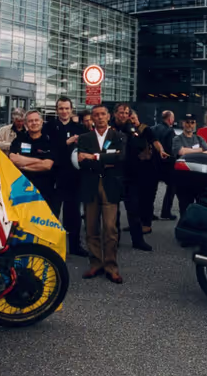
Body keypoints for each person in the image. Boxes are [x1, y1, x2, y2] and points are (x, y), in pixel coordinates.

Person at [78, 105, 127, 284]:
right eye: (96, 115)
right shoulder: (84, 138)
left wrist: (94, 157)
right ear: (92, 118)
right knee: (91, 228)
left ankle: (111, 266)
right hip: (90, 186)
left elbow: (120, 158)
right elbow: (82, 162)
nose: (99, 117)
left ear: (108, 116)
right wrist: (106, 158)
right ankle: (95, 263)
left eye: (103, 114)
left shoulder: (118, 136)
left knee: (110, 229)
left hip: (110, 186)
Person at [112, 104, 162, 250]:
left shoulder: (133, 128)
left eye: (126, 113)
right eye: (121, 113)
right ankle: (115, 240)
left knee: (134, 209)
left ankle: (138, 240)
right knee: (114, 211)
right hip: (114, 174)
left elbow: (141, 145)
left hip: (131, 175)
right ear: (115, 114)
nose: (124, 115)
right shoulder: (110, 128)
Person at [46, 97, 88, 257]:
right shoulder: (48, 127)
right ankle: (51, 247)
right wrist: (66, 142)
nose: (64, 111)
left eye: (67, 108)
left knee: (73, 215)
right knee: (53, 214)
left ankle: (75, 246)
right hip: (54, 178)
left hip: (73, 178)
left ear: (71, 110)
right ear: (57, 110)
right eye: (61, 108)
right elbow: (47, 149)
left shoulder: (79, 128)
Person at [10, 110, 57, 204]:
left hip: (45, 190)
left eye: (36, 120)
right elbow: (13, 159)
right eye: (30, 121)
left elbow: (47, 165)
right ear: (26, 124)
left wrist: (23, 165)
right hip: (22, 188)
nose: (34, 123)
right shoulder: (19, 139)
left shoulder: (50, 140)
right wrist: (39, 161)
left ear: (41, 121)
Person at [172, 114, 207, 217]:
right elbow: (181, 152)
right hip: (183, 179)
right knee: (185, 208)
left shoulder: (199, 138)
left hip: (198, 179)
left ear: (195, 124)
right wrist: (200, 151)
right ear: (182, 123)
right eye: (187, 122)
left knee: (201, 208)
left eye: (192, 122)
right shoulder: (177, 139)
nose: (190, 125)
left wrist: (189, 151)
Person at [153, 110, 178, 220]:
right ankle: (166, 211)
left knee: (152, 190)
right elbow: (171, 148)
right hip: (167, 164)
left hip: (154, 163)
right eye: (173, 118)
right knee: (172, 187)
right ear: (170, 119)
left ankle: (149, 212)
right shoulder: (170, 131)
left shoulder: (154, 128)